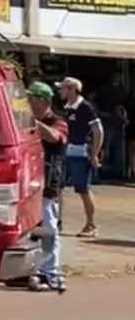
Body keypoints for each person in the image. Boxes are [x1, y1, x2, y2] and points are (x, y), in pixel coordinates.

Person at [27, 81, 67, 293]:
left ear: (43, 101)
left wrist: (32, 122)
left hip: (49, 181)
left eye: (31, 99)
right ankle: (31, 268)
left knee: (49, 226)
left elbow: (54, 136)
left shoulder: (58, 121)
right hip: (28, 180)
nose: (27, 103)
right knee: (30, 228)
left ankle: (51, 271)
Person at [58, 76, 104, 237]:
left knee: (83, 189)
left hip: (80, 152)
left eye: (63, 88)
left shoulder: (86, 108)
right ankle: (58, 222)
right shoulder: (67, 107)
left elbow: (98, 131)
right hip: (64, 152)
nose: (60, 91)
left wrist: (94, 154)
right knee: (57, 187)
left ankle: (91, 225)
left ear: (71, 90)